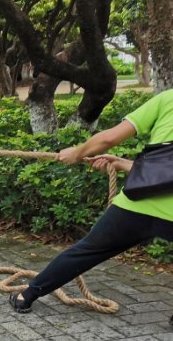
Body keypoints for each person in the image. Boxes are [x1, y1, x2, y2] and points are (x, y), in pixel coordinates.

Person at [9, 88, 173, 328]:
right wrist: (127, 164)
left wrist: (76, 153)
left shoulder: (169, 98)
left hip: (138, 204)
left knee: (86, 251)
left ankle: (27, 296)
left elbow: (110, 138)